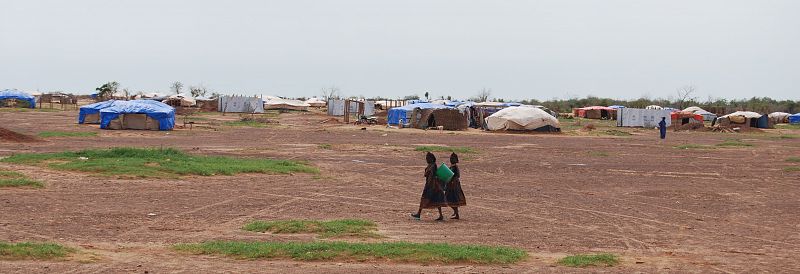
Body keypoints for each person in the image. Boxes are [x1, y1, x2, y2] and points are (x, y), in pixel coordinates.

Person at [412, 152, 447, 221]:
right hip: (431, 185)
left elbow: (432, 175)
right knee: (435, 200)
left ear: (432, 159)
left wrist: (430, 185)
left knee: (426, 199)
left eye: (428, 158)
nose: (427, 159)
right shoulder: (430, 165)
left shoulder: (433, 165)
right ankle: (440, 215)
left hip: (432, 186)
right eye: (426, 158)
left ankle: (419, 214)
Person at [445, 152, 466, 219]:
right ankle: (456, 213)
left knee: (451, 200)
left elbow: (456, 176)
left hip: (453, 186)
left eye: (452, 158)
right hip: (451, 185)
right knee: (452, 200)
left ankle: (456, 213)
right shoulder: (452, 167)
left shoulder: (454, 167)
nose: (451, 159)